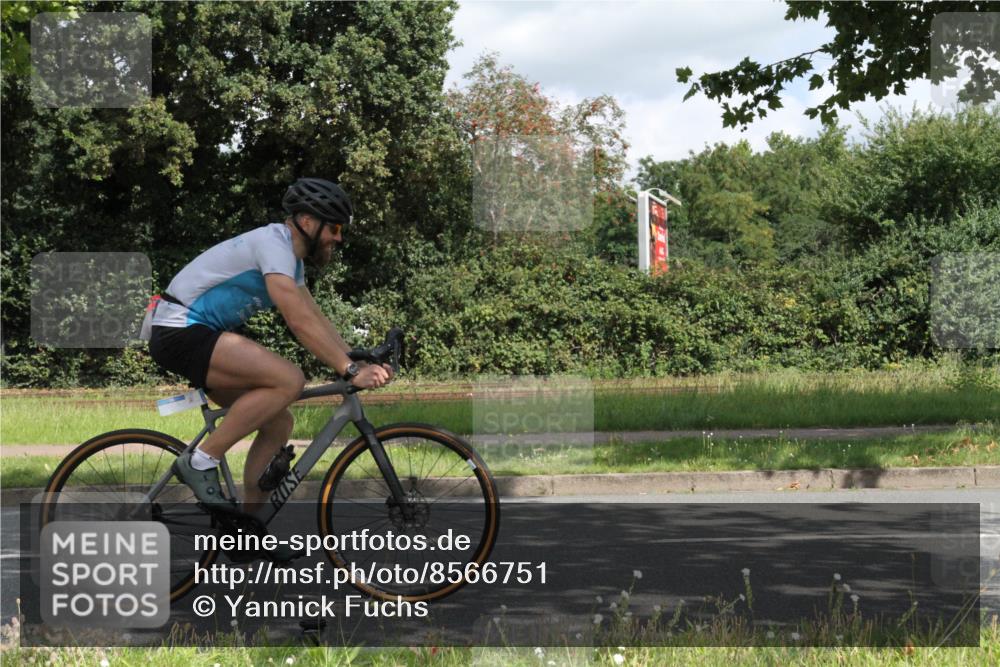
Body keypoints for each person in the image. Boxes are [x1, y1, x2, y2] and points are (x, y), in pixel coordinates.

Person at [148, 178, 392, 528]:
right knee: (289, 380)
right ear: (307, 222)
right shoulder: (273, 244)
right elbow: (296, 319)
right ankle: (201, 461)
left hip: (196, 334)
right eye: (334, 227)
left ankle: (248, 528)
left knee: (279, 421)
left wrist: (354, 359)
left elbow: (314, 317)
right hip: (180, 330)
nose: (338, 237)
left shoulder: (292, 261)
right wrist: (351, 370)